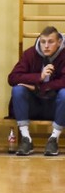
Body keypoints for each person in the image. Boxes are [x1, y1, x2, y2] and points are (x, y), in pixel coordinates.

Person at [8, 26, 65, 156]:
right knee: (18, 90)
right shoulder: (30, 54)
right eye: (42, 41)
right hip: (34, 105)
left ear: (59, 42)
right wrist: (39, 77)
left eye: (50, 42)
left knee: (64, 93)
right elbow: (12, 78)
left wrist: (39, 87)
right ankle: (26, 139)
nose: (46, 46)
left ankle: (53, 139)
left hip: (55, 107)